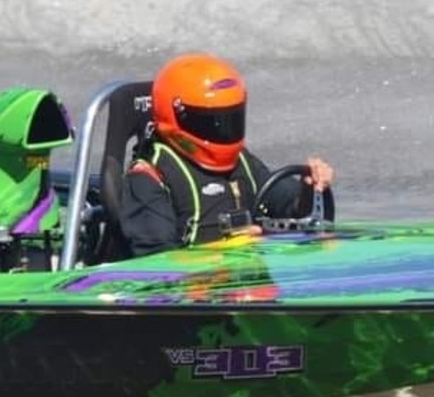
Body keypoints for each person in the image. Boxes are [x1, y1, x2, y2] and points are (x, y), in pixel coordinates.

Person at [118, 53, 334, 257]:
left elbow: (287, 206)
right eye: (212, 121)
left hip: (246, 285)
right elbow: (156, 262)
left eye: (230, 119)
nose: (223, 130)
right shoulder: (148, 177)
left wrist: (310, 190)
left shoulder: (241, 161)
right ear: (177, 115)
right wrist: (227, 250)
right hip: (197, 291)